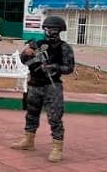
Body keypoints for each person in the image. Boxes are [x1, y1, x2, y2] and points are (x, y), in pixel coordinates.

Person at [11, 15, 75, 162]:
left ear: (59, 30)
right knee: (31, 114)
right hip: (34, 84)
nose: (50, 31)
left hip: (52, 87)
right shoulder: (37, 44)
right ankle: (28, 140)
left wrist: (53, 67)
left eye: (53, 29)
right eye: (47, 28)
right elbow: (25, 61)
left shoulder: (64, 47)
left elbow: (69, 68)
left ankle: (57, 148)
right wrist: (26, 53)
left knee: (55, 117)